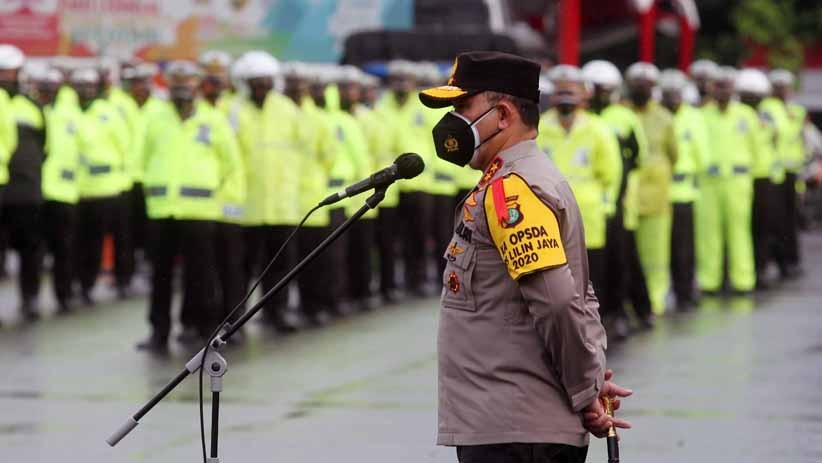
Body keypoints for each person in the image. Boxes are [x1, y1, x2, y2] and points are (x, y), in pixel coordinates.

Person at [420, 50, 631, 463]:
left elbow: (556, 303)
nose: (453, 121)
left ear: (502, 116)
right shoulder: (506, 180)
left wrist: (586, 389)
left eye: (463, 107)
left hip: (515, 431)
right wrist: (588, 381)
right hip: (509, 422)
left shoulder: (512, 190)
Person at [137, 60, 243, 352]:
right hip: (162, 210)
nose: (182, 89)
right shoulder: (155, 119)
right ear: (168, 87)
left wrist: (224, 204)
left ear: (197, 86)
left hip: (201, 211)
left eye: (187, 83)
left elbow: (231, 164)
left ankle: (201, 329)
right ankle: (159, 332)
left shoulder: (214, 120)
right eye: (176, 83)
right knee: (160, 276)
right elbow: (142, 159)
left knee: (200, 275)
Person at [537, 65, 621, 329]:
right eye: (560, 91)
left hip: (589, 214)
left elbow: (611, 173)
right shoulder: (539, 128)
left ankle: (595, 323)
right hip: (548, 213)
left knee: (591, 273)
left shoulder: (598, 129)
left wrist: (607, 206)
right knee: (554, 274)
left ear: (583, 96)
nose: (565, 98)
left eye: (571, 92)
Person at [233, 51, 303, 331]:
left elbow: (304, 153)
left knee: (280, 267)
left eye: (265, 81)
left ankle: (277, 313)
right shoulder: (234, 110)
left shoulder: (288, 110)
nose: (261, 87)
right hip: (246, 206)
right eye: (255, 82)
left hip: (281, 204)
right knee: (241, 269)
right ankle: (235, 321)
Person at [582, 59, 652, 334]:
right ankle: (597, 314)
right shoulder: (583, 121)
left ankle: (628, 311)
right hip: (589, 203)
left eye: (605, 89)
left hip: (620, 201)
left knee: (623, 258)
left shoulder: (624, 118)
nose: (600, 94)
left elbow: (639, 157)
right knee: (594, 263)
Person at [70, 67, 130, 306]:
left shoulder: (108, 112)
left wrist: (122, 179)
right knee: (78, 241)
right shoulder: (66, 112)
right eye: (81, 86)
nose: (85, 91)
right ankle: (79, 283)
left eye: (89, 86)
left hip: (106, 189)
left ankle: (93, 284)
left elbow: (124, 145)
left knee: (101, 241)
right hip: (75, 190)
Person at [697, 66, 758, 294]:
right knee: (708, 233)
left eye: (727, 86)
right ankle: (709, 281)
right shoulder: (701, 115)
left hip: (738, 181)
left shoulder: (747, 115)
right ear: (711, 88)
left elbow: (757, 148)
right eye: (719, 86)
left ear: (734, 88)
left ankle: (743, 280)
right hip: (708, 182)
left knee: (739, 231)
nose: (723, 91)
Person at [625, 62, 677, 315]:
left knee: (656, 253)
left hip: (657, 194)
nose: (641, 89)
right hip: (629, 196)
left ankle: (655, 299)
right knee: (629, 252)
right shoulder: (622, 114)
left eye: (645, 85)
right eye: (637, 84)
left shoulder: (664, 118)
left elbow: (673, 154)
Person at [0, 46, 46, 319]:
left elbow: (45, 145)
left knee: (30, 246)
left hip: (25, 189)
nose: (6, 76)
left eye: (10, 71)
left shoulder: (32, 106)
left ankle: (30, 298)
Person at [659, 69, 710, 308]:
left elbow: (703, 154)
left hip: (684, 191)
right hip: (658, 194)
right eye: (668, 94)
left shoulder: (694, 117)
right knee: (660, 248)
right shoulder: (657, 116)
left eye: (675, 94)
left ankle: (685, 292)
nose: (672, 99)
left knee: (684, 248)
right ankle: (663, 292)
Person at [39, 68, 81, 314]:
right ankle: (31, 299)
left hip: (65, 193)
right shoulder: (32, 110)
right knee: (33, 251)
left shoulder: (71, 114)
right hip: (37, 191)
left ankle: (64, 294)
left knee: (63, 249)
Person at [736, 69, 779, 289]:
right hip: (741, 179)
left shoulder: (768, 116)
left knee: (761, 227)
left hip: (763, 178)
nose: (751, 100)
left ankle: (760, 269)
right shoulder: (738, 115)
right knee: (742, 227)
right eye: (746, 95)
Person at [762, 69, 806, 277]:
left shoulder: (796, 110)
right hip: (774, 173)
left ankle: (791, 260)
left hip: (792, 172)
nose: (783, 90)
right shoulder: (767, 108)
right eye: (779, 87)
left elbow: (800, 139)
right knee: (775, 220)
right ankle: (779, 261)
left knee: (790, 220)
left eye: (785, 87)